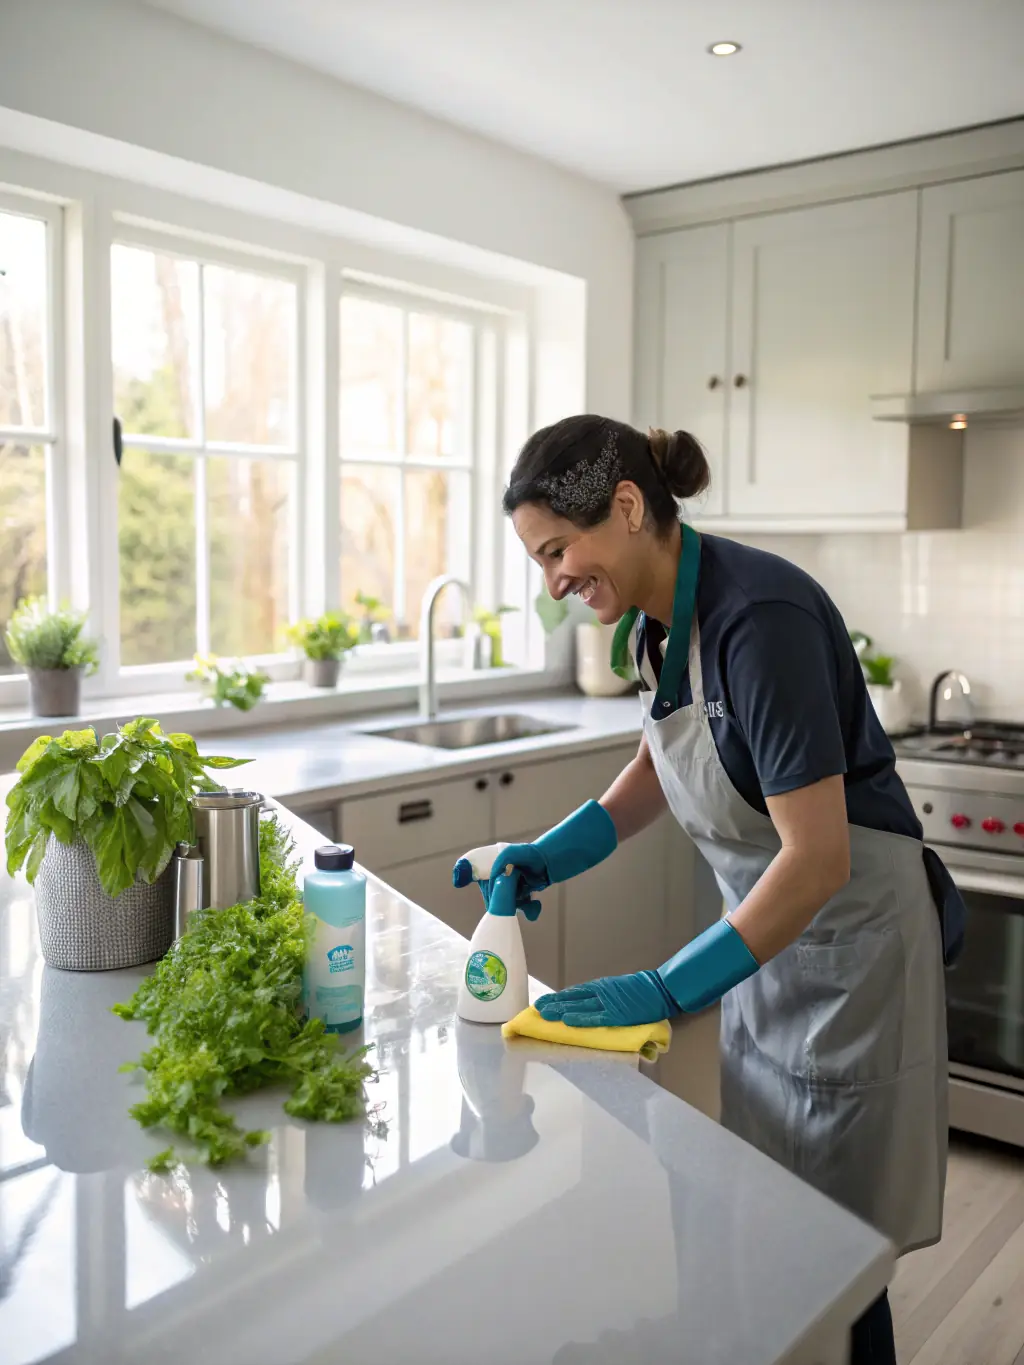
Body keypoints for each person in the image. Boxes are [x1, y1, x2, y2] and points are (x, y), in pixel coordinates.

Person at [455, 414, 966, 1365]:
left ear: (627, 506)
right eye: (539, 559)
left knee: (841, 1256)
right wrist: (552, 852)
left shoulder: (756, 620)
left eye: (558, 550)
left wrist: (665, 988)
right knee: (775, 1217)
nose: (554, 581)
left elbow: (816, 861)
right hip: (767, 951)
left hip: (853, 953)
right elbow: (659, 766)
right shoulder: (659, 621)